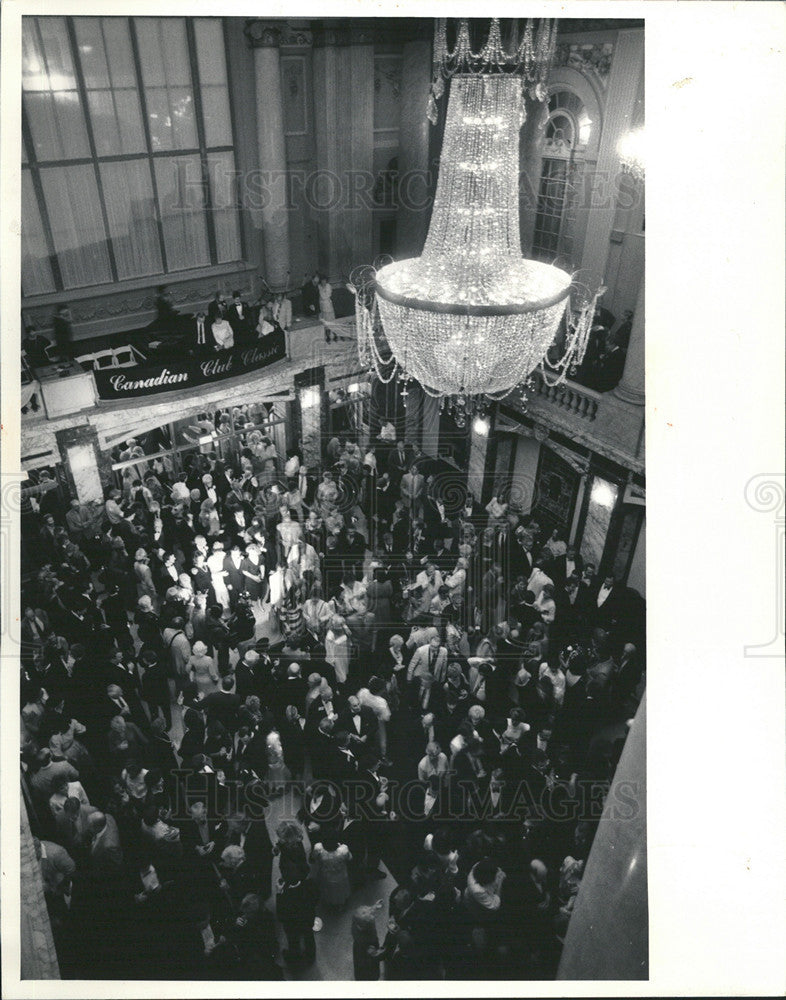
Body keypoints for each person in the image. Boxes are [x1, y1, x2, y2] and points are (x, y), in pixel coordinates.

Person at [311, 830, 353, 907]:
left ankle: (329, 901)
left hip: (326, 874)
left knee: (329, 889)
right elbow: (350, 858)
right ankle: (341, 902)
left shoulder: (318, 848)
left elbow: (314, 857)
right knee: (341, 889)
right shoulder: (343, 850)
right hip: (341, 875)